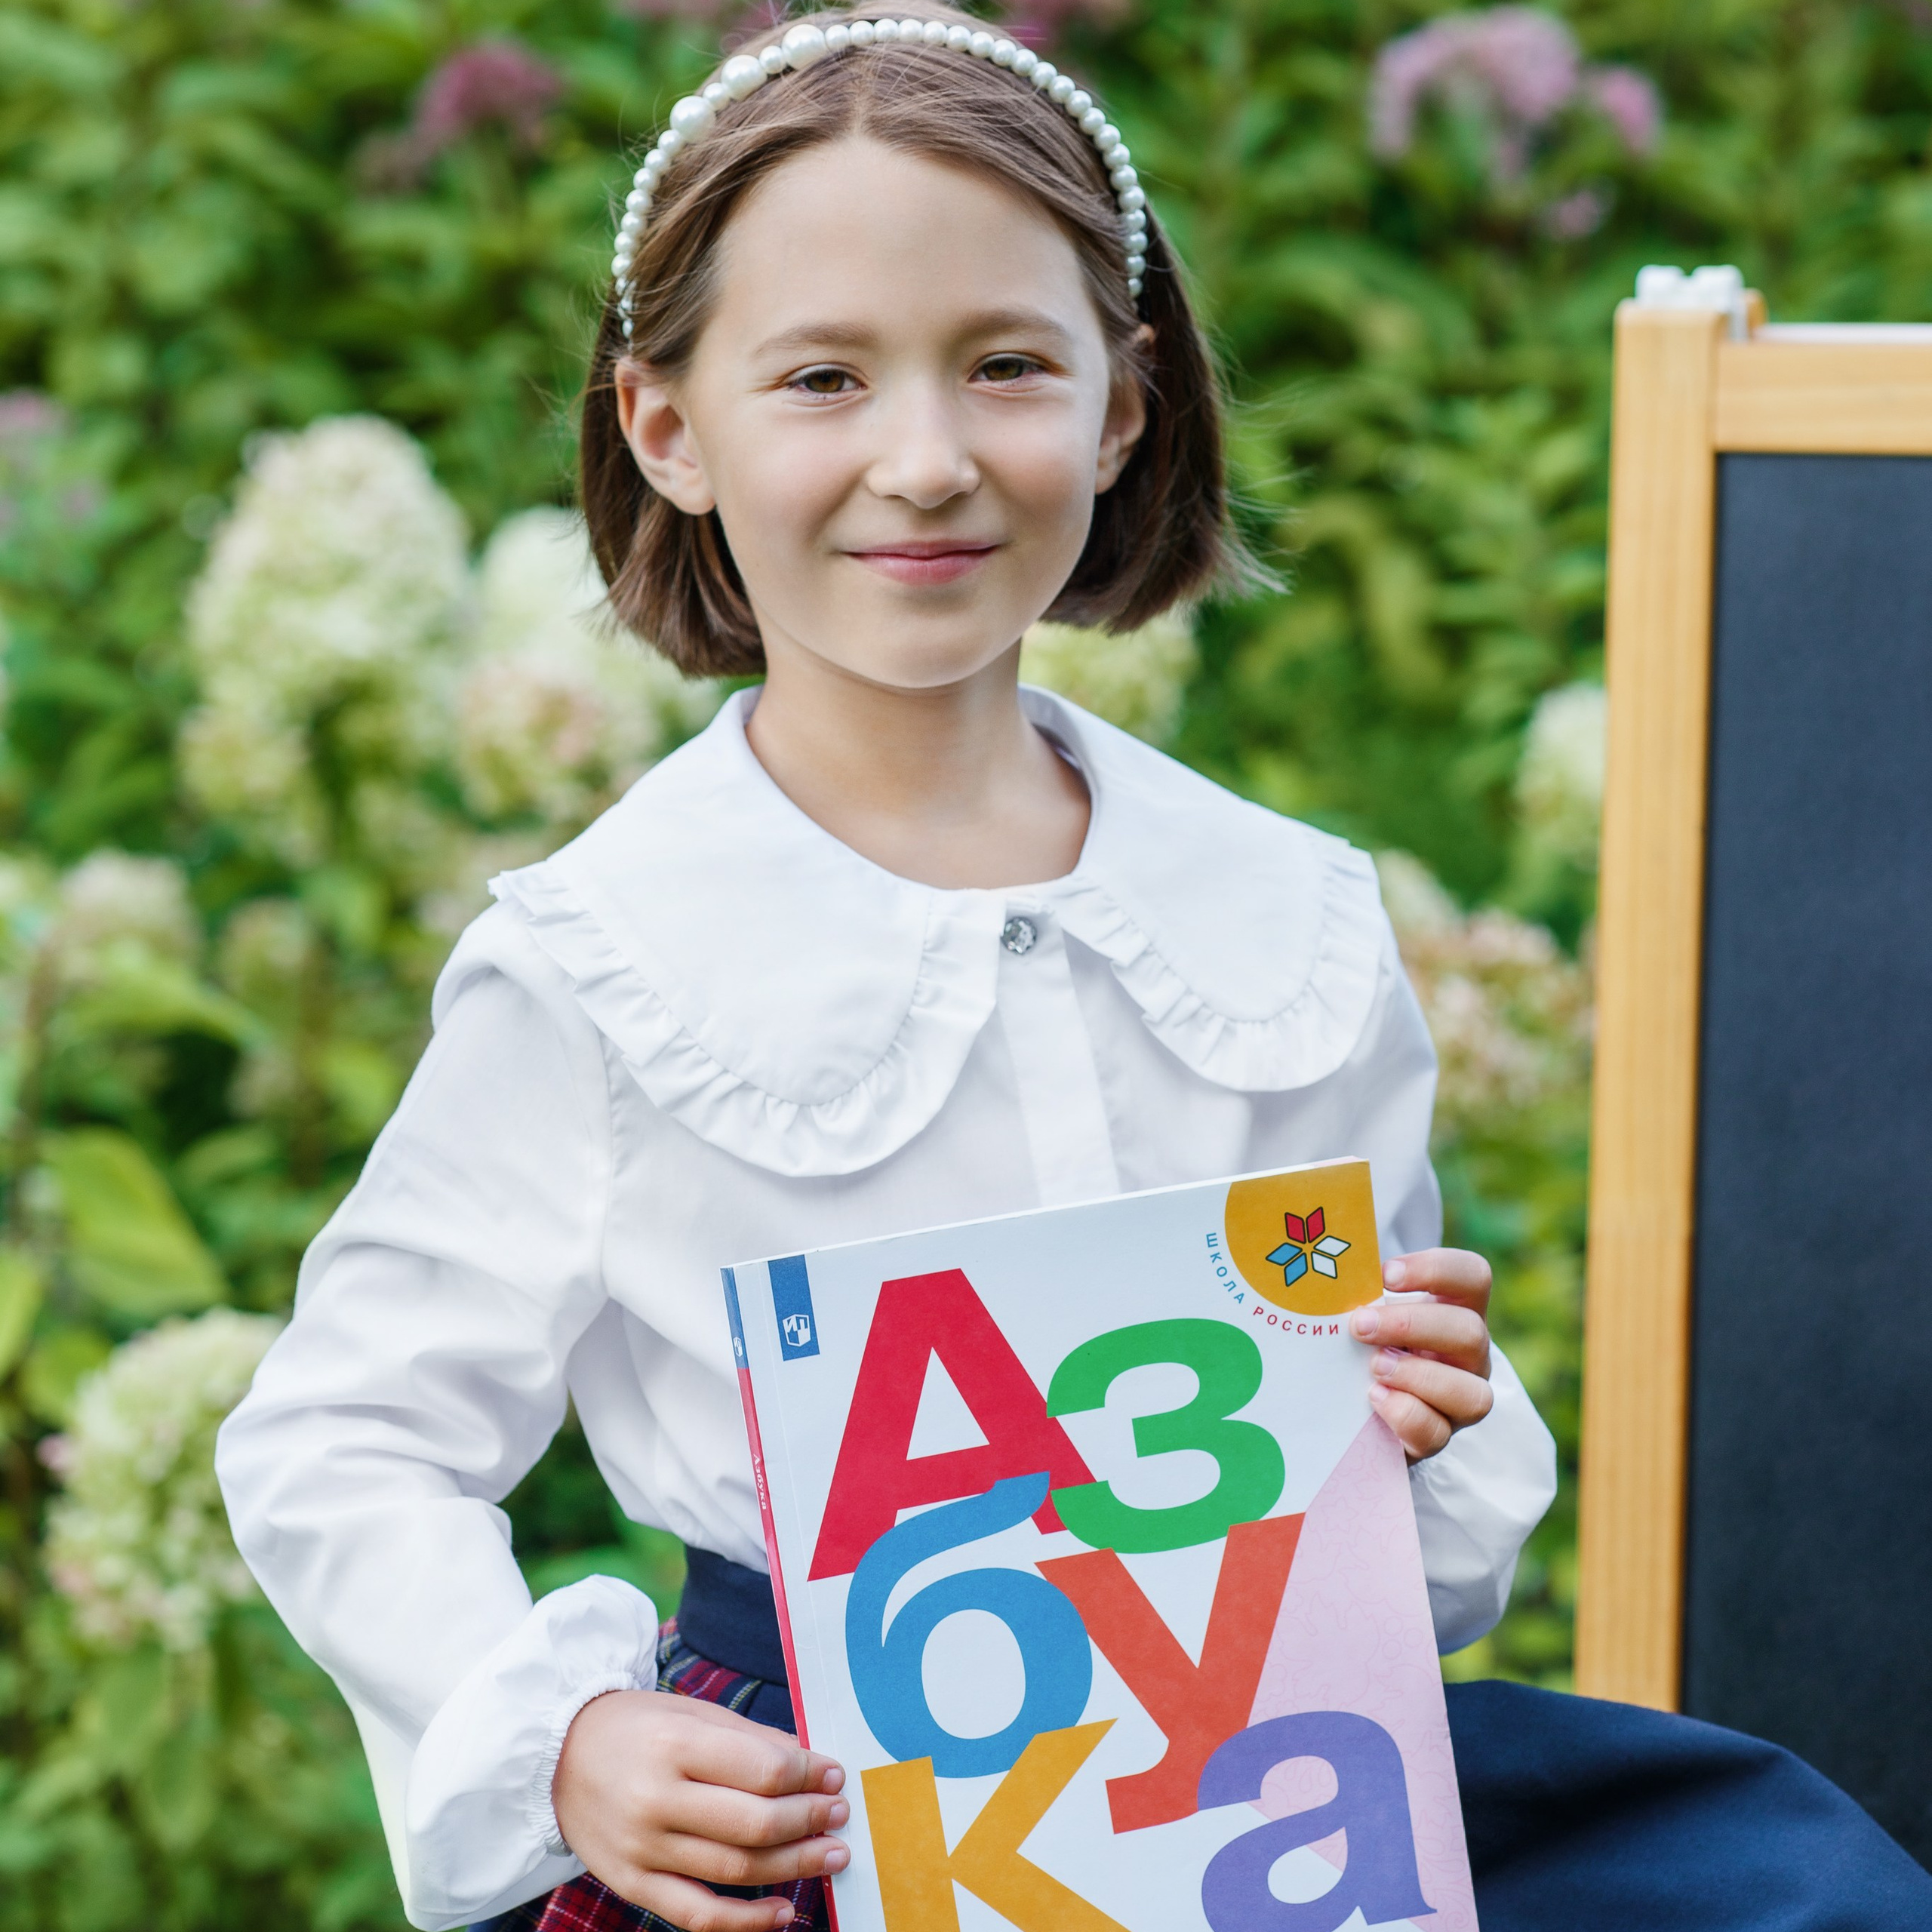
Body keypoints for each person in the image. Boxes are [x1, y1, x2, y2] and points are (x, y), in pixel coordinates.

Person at [215, 10, 1932, 1932]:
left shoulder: (1279, 912)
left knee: (1783, 1887)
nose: (926, 457)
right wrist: (563, 1736)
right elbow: (345, 1434)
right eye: (823, 378)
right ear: (667, 427)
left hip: (1277, 1781)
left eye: (1004, 366)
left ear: (1120, 407)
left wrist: (1412, 1407)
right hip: (829, 1813)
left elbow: (1381, 1502)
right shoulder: (604, 958)